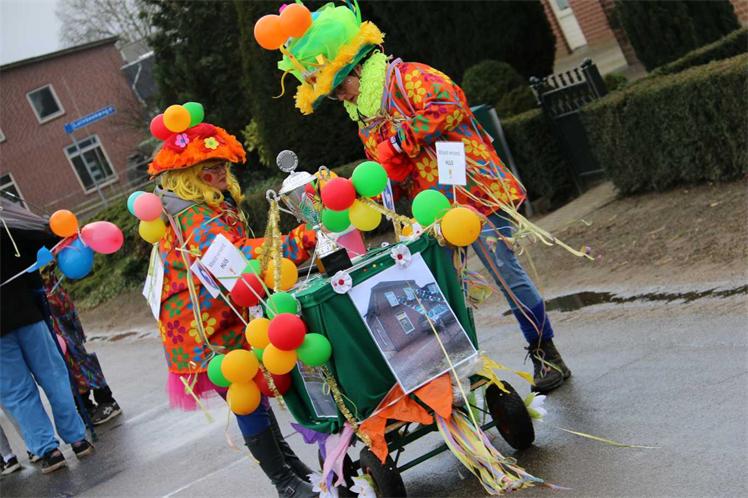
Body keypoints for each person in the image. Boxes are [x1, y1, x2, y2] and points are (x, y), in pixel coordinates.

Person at [268, 1, 570, 393]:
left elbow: (451, 104)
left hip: (472, 191)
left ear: (357, 69)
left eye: (340, 87)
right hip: (430, 210)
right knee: (440, 290)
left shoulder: (408, 76)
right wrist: (370, 190)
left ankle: (545, 351)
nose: (340, 97)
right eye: (333, 94)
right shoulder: (364, 117)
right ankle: (460, 374)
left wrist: (400, 141)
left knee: (505, 273)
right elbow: (384, 168)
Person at [146, 108, 317, 497]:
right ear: (189, 175)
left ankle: (291, 469)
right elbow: (238, 257)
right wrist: (300, 240)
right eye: (209, 167)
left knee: (253, 389)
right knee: (246, 393)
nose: (220, 171)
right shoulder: (193, 216)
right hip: (201, 326)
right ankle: (284, 483)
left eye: (222, 163)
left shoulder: (204, 205)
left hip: (224, 313)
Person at [0, 199, 95, 474]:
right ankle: (77, 439)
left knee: (18, 392)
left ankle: (48, 451)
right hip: (28, 313)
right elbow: (43, 235)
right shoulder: (7, 220)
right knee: (53, 376)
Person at [41, 267, 122, 425]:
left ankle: (106, 400)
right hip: (47, 306)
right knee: (65, 360)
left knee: (75, 355)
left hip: (52, 304)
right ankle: (85, 407)